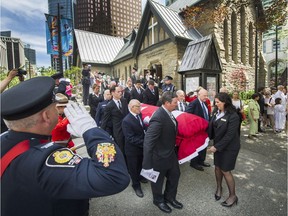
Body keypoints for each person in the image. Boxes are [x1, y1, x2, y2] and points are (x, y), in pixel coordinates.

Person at [0, 77, 130, 216]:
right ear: (46, 116)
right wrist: (91, 131)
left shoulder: (4, 140)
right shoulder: (46, 161)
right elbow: (114, 177)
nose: (59, 111)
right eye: (55, 108)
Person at [142, 91, 183, 214]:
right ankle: (158, 200)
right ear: (166, 103)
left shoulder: (169, 113)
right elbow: (148, 142)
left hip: (170, 154)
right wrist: (147, 165)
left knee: (175, 176)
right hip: (159, 157)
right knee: (158, 181)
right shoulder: (158, 118)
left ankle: (170, 197)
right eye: (175, 102)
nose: (177, 104)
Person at [208, 92, 240, 208]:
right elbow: (212, 127)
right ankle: (219, 188)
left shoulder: (233, 116)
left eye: (218, 102)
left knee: (225, 170)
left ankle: (233, 196)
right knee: (217, 167)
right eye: (215, 102)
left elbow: (229, 136)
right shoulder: (216, 112)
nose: (216, 105)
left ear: (225, 102)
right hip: (218, 145)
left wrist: (216, 147)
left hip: (229, 147)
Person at [122, 99, 147, 198]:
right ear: (132, 107)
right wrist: (145, 142)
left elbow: (142, 128)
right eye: (138, 106)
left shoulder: (139, 115)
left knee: (141, 164)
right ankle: (136, 186)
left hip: (141, 147)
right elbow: (130, 138)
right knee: (133, 169)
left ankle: (141, 177)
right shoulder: (126, 121)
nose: (140, 108)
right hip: (132, 150)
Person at [186, 88, 211, 171]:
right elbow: (187, 115)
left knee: (204, 146)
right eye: (204, 95)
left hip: (204, 129)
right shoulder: (194, 103)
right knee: (196, 147)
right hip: (197, 130)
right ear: (199, 94)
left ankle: (201, 161)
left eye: (207, 95)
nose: (206, 97)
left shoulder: (205, 103)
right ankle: (194, 163)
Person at [101, 86, 129, 153]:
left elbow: (127, 114)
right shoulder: (109, 106)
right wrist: (101, 133)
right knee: (120, 150)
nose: (120, 93)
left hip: (127, 130)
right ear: (113, 93)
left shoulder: (124, 101)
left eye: (121, 91)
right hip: (118, 132)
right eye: (118, 92)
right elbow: (105, 121)